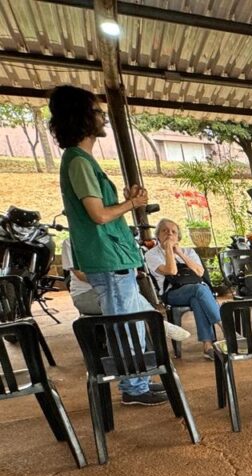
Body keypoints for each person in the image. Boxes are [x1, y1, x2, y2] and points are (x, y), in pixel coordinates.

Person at [49, 84, 165, 406]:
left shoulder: (82, 161)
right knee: (124, 325)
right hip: (108, 259)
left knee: (130, 321)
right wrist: (132, 204)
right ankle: (134, 388)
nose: (103, 117)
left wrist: (125, 201)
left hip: (113, 258)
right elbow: (98, 215)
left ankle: (138, 382)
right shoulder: (79, 162)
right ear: (83, 117)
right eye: (98, 112)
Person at [60, 238, 191, 343]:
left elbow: (130, 273)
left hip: (119, 291)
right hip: (87, 295)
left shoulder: (112, 240)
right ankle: (157, 324)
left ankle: (144, 353)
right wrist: (113, 282)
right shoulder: (70, 242)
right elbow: (80, 275)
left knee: (128, 298)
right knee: (126, 301)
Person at [145, 219, 222, 360]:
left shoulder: (188, 251)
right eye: (165, 230)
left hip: (194, 290)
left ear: (178, 237)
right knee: (200, 290)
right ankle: (225, 326)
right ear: (158, 235)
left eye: (173, 231)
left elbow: (199, 272)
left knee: (197, 298)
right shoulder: (151, 255)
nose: (169, 233)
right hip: (172, 293)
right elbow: (172, 271)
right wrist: (168, 250)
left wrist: (180, 253)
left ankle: (207, 346)